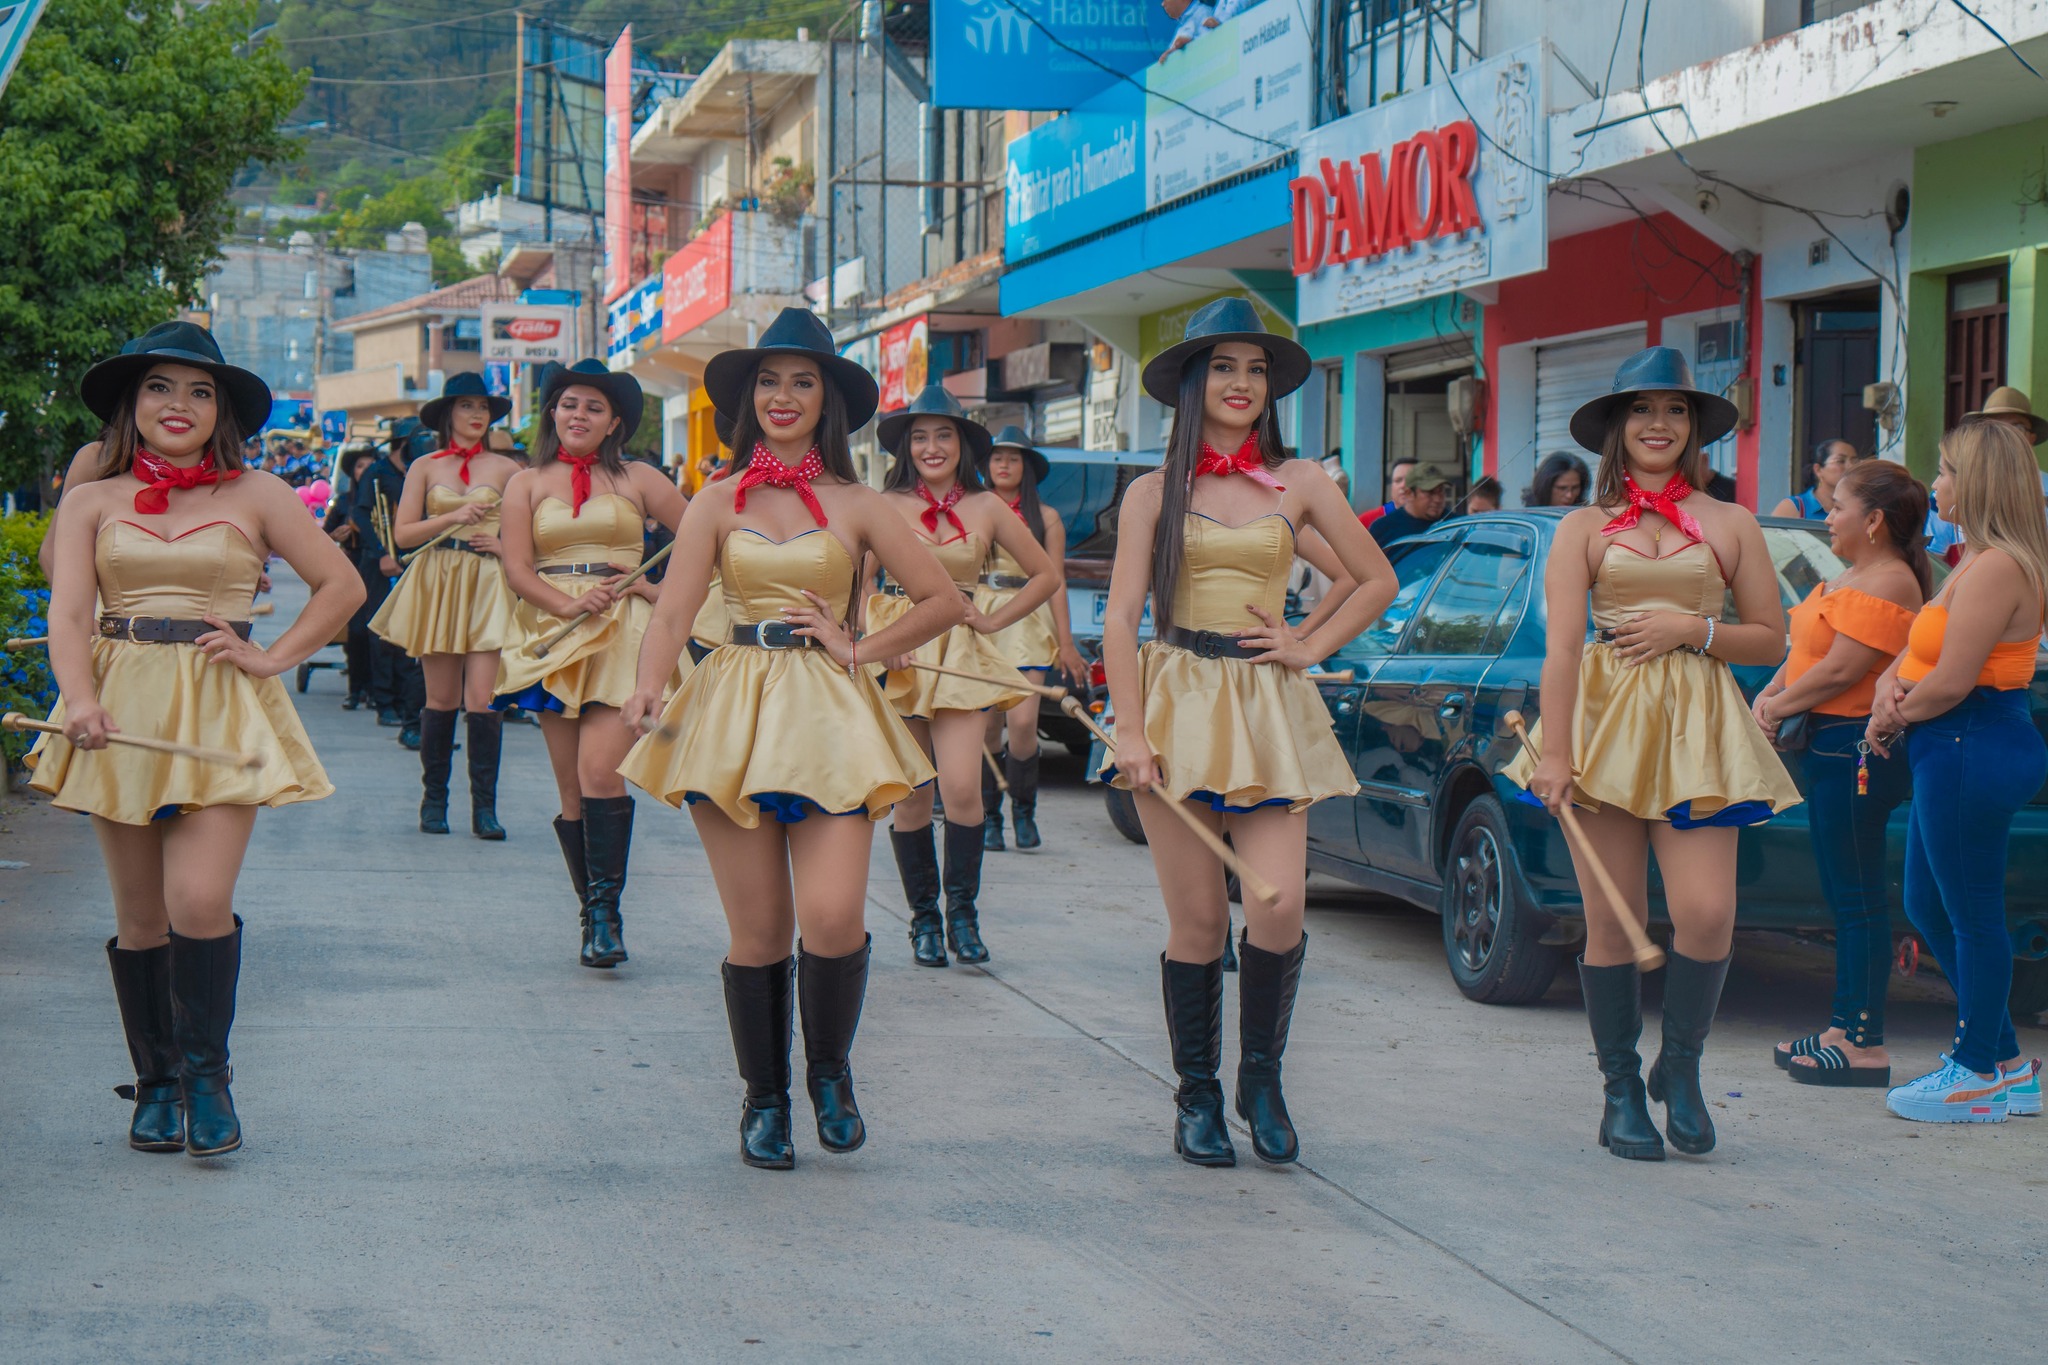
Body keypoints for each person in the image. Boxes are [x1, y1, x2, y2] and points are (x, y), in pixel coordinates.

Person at [618, 307, 962, 1169]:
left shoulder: (859, 502)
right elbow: (672, 609)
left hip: (832, 714)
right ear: (747, 400)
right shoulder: (715, 500)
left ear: (827, 401)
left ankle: (831, 1072)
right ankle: (764, 1097)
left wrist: (859, 646)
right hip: (731, 708)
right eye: (768, 381)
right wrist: (648, 683)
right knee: (761, 931)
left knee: (835, 915)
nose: (783, 395)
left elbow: (941, 601)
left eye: (802, 381)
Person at [28, 321, 364, 1158]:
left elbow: (342, 584)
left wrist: (273, 656)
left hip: (219, 704)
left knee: (199, 902)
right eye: (160, 387)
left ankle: (209, 1078)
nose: (179, 405)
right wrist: (77, 696)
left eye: (200, 391)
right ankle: (157, 1083)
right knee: (140, 918)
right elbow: (68, 611)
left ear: (223, 411)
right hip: (117, 708)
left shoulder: (259, 492)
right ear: (131, 404)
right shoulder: (89, 500)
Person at [1102, 297, 1396, 1168]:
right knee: (1197, 921)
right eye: (1223, 366)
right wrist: (1128, 728)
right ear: (1193, 381)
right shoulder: (1152, 492)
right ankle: (1196, 1094)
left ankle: (1259, 1080)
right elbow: (1120, 616)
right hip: (1174, 700)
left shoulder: (1301, 482)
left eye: (1256, 369)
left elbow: (1373, 577)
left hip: (1268, 704)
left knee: (1278, 904)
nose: (1241, 383)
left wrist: (1308, 644)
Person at [1508, 345, 1801, 1163]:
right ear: (1616, 426)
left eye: (1675, 410)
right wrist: (1555, 751)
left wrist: (1692, 629)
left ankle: (1681, 1066)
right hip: (1604, 725)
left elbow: (1772, 637)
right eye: (1642, 410)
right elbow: (1561, 649)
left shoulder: (1732, 522)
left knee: (1707, 913)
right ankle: (1619, 1089)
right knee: (1615, 918)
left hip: (1701, 725)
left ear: (1695, 426)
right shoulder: (1582, 526)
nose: (1659, 424)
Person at [1866, 420, 2048, 1123]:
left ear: (1976, 480)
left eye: (1944, 470)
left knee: (1971, 913)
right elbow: (1922, 655)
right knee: (1927, 902)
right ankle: (2005, 1062)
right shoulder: (1974, 556)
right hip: (1952, 743)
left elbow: (1953, 679)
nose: (1934, 482)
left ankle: (1974, 1070)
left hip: (1974, 739)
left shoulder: (2002, 563)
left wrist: (1891, 716)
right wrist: (1890, 685)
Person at [493, 360, 688, 969]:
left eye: (594, 408)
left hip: (625, 637)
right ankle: (591, 913)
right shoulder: (524, 484)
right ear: (553, 412)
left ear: (614, 423)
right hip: (554, 633)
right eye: (569, 403)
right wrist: (567, 602)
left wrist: (656, 594)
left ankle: (606, 916)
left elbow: (711, 543)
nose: (579, 415)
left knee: (601, 774)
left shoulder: (641, 479)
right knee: (573, 790)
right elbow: (518, 570)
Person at [868, 385, 1059, 967]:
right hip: (903, 653)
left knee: (961, 789)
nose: (931, 447)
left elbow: (1045, 575)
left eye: (943, 435)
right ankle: (923, 921)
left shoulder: (988, 507)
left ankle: (963, 915)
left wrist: (992, 618)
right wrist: (881, 646)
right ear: (905, 445)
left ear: (962, 444)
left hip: (959, 657)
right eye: (920, 436)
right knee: (914, 798)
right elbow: (856, 585)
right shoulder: (884, 505)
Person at [1751, 462, 1927, 1088]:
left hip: (1852, 749)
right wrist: (1770, 694)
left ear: (1873, 520)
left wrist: (1773, 706)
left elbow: (1842, 671)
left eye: (1838, 506)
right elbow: (1805, 655)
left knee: (1857, 901)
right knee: (1842, 897)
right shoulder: (1856, 575)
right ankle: (1841, 1028)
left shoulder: (1894, 581)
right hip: (1824, 747)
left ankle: (1864, 1043)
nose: (1826, 515)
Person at [371, 372, 523, 839]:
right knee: (441, 699)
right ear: (448, 415)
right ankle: (433, 801)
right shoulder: (425, 466)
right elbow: (402, 535)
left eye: (483, 408)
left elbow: (531, 532)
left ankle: (485, 810)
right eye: (466, 407)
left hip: (485, 582)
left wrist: (502, 546)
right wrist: (453, 516)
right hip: (438, 577)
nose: (476, 415)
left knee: (484, 700)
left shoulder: (509, 470)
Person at [974, 425, 1087, 853]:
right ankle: (990, 818)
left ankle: (1024, 810)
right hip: (982, 616)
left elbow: (1055, 581)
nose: (1004, 464)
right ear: (985, 464)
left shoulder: (1048, 517)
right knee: (987, 726)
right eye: (997, 457)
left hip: (1029, 619)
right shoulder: (974, 507)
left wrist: (1068, 641)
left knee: (1022, 724)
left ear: (1027, 467)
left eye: (1014, 457)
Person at [350, 420, 428, 746]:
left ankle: (409, 705)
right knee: (382, 633)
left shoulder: (421, 471)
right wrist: (381, 553)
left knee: (411, 637)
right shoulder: (378, 472)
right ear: (402, 444)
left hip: (416, 561)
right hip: (380, 562)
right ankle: (384, 701)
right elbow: (361, 514)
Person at [326, 446, 378, 709]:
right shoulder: (344, 502)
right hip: (350, 566)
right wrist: (336, 537)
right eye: (360, 466)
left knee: (375, 631)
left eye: (370, 466)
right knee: (356, 631)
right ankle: (355, 689)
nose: (365, 471)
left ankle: (375, 689)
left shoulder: (383, 499)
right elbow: (320, 539)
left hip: (378, 567)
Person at [1772, 439, 1862, 520]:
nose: (1851, 467)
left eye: (1855, 462)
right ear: (1818, 470)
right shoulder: (1794, 508)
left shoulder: (1860, 508)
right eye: (1840, 461)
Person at [1368, 464, 1453, 546]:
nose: (1437, 499)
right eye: (1430, 492)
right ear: (1409, 494)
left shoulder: (1456, 524)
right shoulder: (1383, 528)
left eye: (1441, 491)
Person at [1358, 456, 1414, 530]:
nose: (1403, 485)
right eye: (1398, 480)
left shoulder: (1432, 522)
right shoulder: (1367, 521)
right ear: (1391, 486)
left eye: (1410, 480)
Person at [1526, 451, 1590, 508]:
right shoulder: (1527, 518)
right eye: (1562, 488)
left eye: (1575, 488)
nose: (1569, 495)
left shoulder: (1585, 517)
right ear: (1545, 487)